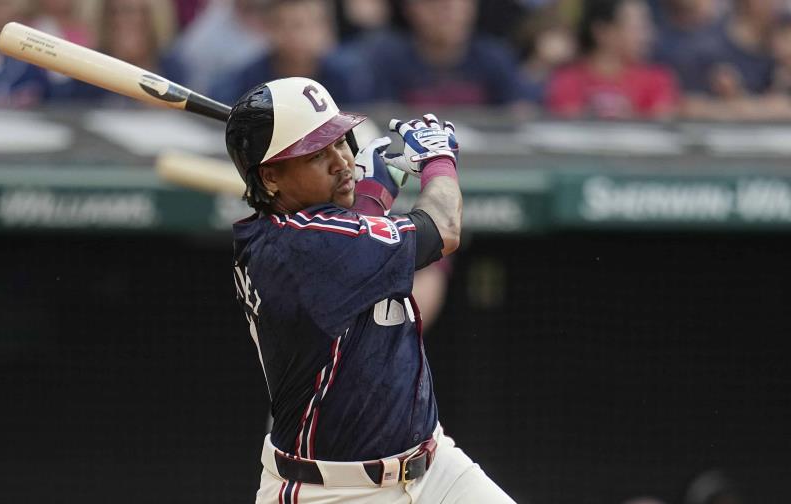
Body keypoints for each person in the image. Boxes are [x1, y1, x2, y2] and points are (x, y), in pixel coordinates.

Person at [227, 76, 517, 503]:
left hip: (434, 468)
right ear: (270, 177)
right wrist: (438, 160)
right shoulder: (303, 248)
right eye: (316, 155)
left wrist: (372, 194)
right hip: (332, 491)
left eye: (340, 142)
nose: (342, 161)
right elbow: (443, 229)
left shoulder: (296, 234)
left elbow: (351, 243)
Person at [351, 0, 530, 107]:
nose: (451, 15)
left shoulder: (494, 56)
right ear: (412, 9)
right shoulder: (387, 58)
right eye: (439, 6)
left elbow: (515, 113)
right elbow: (381, 115)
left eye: (459, 5)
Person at [209, 0, 371, 106]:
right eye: (281, 25)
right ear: (267, 29)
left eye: (301, 25)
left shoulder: (349, 74)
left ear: (324, 27)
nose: (294, 36)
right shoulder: (248, 79)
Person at [546, 0, 679, 119]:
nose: (647, 35)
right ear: (602, 31)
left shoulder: (657, 79)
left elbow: (661, 124)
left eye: (646, 26)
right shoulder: (568, 80)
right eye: (637, 27)